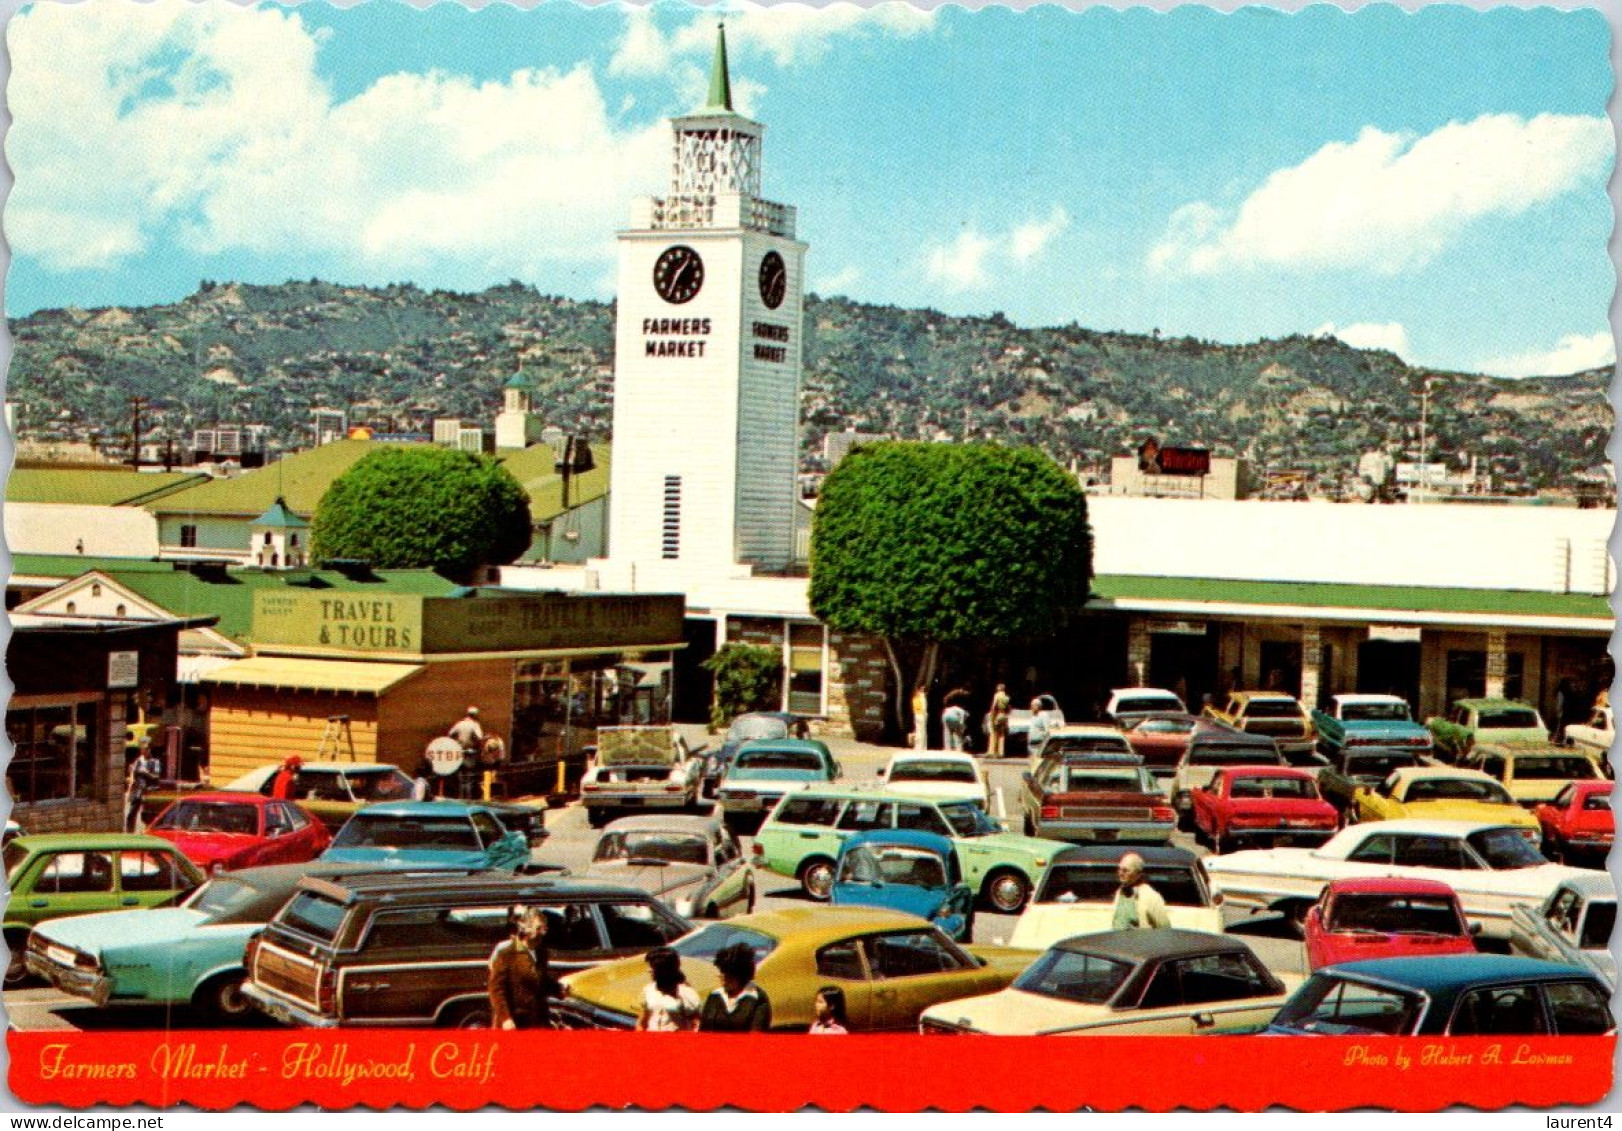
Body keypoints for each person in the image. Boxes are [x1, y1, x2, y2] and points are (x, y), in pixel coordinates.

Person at [488, 905, 567, 1030]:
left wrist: (558, 989)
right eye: (539, 928)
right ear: (526, 928)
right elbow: (496, 989)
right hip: (514, 1023)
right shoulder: (507, 954)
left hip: (537, 1021)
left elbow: (541, 981)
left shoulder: (541, 953)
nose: (544, 932)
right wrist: (506, 1018)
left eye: (545, 928)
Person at [699, 942, 772, 1032]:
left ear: (738, 976)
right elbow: (704, 1032)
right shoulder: (715, 996)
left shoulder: (758, 999)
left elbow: (757, 1037)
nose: (721, 976)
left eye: (726, 974)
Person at [637, 946, 702, 1032]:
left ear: (662, 970)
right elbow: (642, 1022)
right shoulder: (648, 990)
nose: (648, 970)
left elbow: (696, 1025)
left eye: (652, 967)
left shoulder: (686, 992)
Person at [1111, 852, 1170, 930]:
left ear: (1138, 874)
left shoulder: (1151, 896)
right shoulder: (1120, 892)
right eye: (1119, 869)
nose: (1120, 873)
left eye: (1125, 871)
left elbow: (1165, 929)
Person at [123, 744, 162, 832]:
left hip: (148, 791)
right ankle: (130, 832)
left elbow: (156, 776)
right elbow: (133, 777)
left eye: (145, 750)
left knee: (147, 815)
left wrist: (146, 773)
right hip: (137, 791)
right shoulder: (138, 761)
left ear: (149, 750)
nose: (143, 752)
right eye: (142, 750)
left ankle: (147, 831)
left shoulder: (155, 762)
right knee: (131, 813)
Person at [988, 684, 1011, 758]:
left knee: (995, 734)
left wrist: (992, 715)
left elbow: (994, 706)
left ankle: (994, 752)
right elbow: (1009, 708)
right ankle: (1001, 752)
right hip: (1004, 715)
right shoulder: (1006, 697)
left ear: (999, 689)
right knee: (1002, 735)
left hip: (997, 715)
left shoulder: (997, 695)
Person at [910, 686, 929, 752]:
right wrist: (925, 715)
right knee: (922, 732)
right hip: (921, 715)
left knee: (918, 731)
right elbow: (924, 707)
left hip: (916, 715)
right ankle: (923, 747)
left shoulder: (915, 698)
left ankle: (917, 746)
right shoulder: (922, 697)